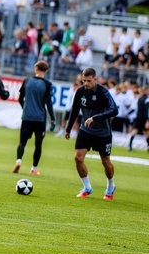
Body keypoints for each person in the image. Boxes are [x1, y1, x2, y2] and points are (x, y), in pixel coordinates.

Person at [65, 67, 118, 199]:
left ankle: (111, 186)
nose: (86, 83)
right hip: (85, 130)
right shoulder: (80, 91)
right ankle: (87, 187)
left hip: (103, 133)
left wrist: (95, 118)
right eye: (84, 80)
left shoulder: (103, 92)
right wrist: (68, 128)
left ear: (95, 79)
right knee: (78, 158)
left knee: (105, 161)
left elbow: (114, 110)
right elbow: (75, 109)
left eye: (89, 81)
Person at [13, 60, 56, 176]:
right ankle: (34, 169)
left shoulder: (27, 81)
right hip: (40, 118)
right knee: (38, 144)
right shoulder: (47, 84)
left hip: (27, 117)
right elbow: (48, 103)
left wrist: (25, 108)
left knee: (22, 142)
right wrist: (53, 118)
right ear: (46, 71)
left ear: (35, 69)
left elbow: (20, 98)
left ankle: (18, 161)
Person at [128, 85, 149, 151]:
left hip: (138, 118)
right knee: (146, 133)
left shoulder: (139, 98)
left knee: (136, 131)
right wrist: (147, 120)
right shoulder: (147, 99)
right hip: (144, 119)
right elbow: (147, 110)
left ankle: (130, 146)